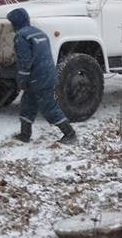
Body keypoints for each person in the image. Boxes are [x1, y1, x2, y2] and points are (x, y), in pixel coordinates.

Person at [6, 8, 77, 144]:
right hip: (47, 74)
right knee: (27, 104)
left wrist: (22, 78)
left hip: (37, 77)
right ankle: (25, 134)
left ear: (16, 22)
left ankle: (70, 134)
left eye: (11, 22)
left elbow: (25, 60)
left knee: (49, 108)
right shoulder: (39, 33)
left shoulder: (21, 36)